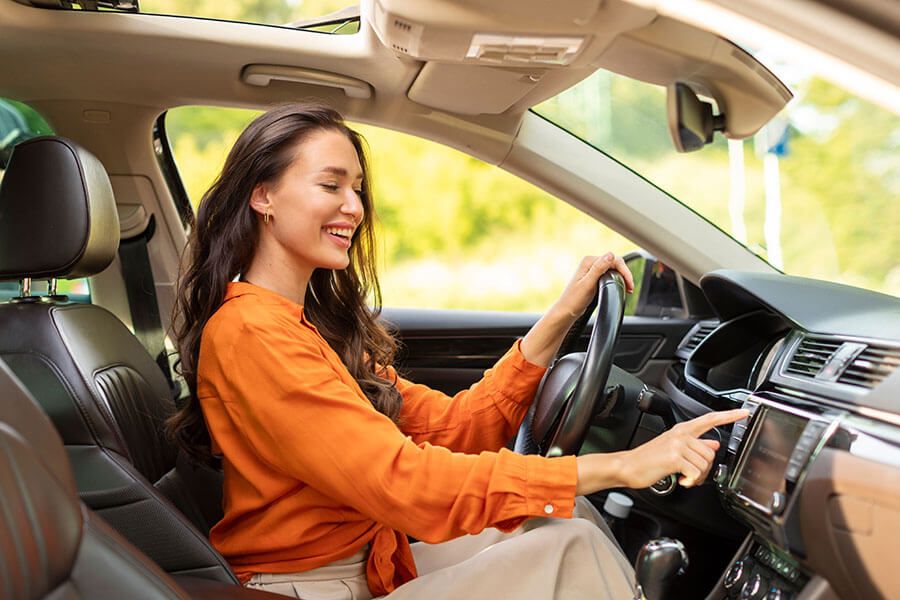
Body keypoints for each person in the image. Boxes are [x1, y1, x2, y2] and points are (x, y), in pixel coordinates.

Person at [167, 102, 747, 600]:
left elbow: (452, 427)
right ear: (263, 196)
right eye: (331, 185)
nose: (355, 207)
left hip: (367, 568)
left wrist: (563, 314)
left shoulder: (311, 327)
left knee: (568, 519)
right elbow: (405, 483)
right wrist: (620, 465)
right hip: (311, 588)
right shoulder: (251, 332)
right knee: (568, 546)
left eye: (358, 190)